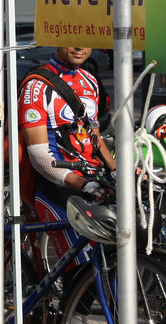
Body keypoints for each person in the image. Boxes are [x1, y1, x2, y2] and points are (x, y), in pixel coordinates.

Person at [18, 47, 116, 264]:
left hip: (91, 181)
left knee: (112, 258)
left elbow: (95, 139)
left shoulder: (90, 81)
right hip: (56, 183)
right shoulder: (36, 86)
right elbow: (39, 156)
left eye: (85, 40)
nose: (79, 46)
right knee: (82, 271)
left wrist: (117, 171)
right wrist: (82, 184)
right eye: (71, 39)